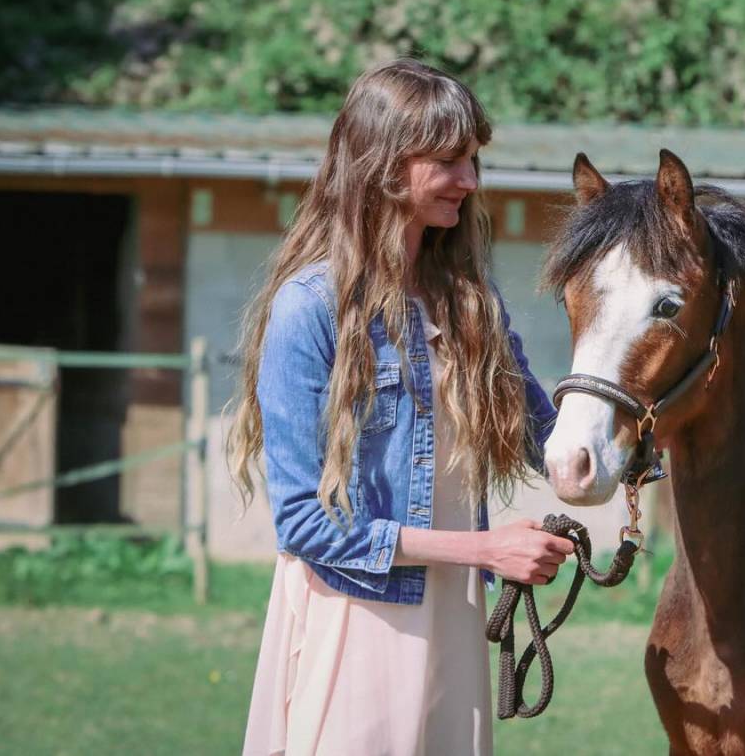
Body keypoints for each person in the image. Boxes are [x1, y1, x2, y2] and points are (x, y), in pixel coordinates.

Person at [228, 58, 574, 755]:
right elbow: (302, 523)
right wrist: (485, 548)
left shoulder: (470, 302)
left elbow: (552, 438)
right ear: (384, 165)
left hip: (453, 614)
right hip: (354, 615)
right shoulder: (309, 309)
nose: (470, 181)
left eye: (473, 159)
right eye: (449, 160)